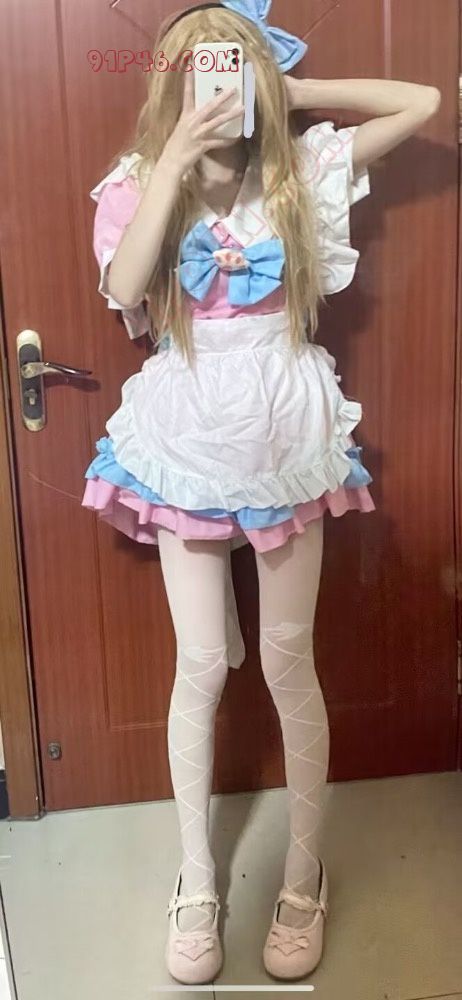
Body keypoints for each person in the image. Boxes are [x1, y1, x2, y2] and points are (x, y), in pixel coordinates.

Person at [81, 0, 441, 985]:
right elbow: (126, 287)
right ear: (170, 81)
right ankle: (198, 882)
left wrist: (293, 93)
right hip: (188, 435)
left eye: (234, 68)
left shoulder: (302, 170)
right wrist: (171, 156)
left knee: (288, 664)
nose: (220, 85)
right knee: (200, 665)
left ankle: (305, 875)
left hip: (285, 431)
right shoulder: (135, 182)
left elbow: (422, 100)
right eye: (202, 69)